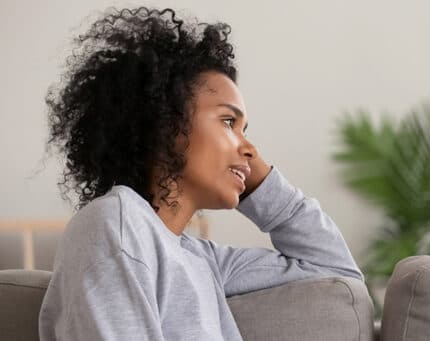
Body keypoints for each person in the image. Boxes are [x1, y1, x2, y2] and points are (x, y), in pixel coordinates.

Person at [39, 8, 362, 340]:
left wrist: (257, 181)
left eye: (244, 129)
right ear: (166, 121)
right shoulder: (115, 225)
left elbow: (335, 272)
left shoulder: (199, 258)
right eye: (228, 121)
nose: (250, 148)